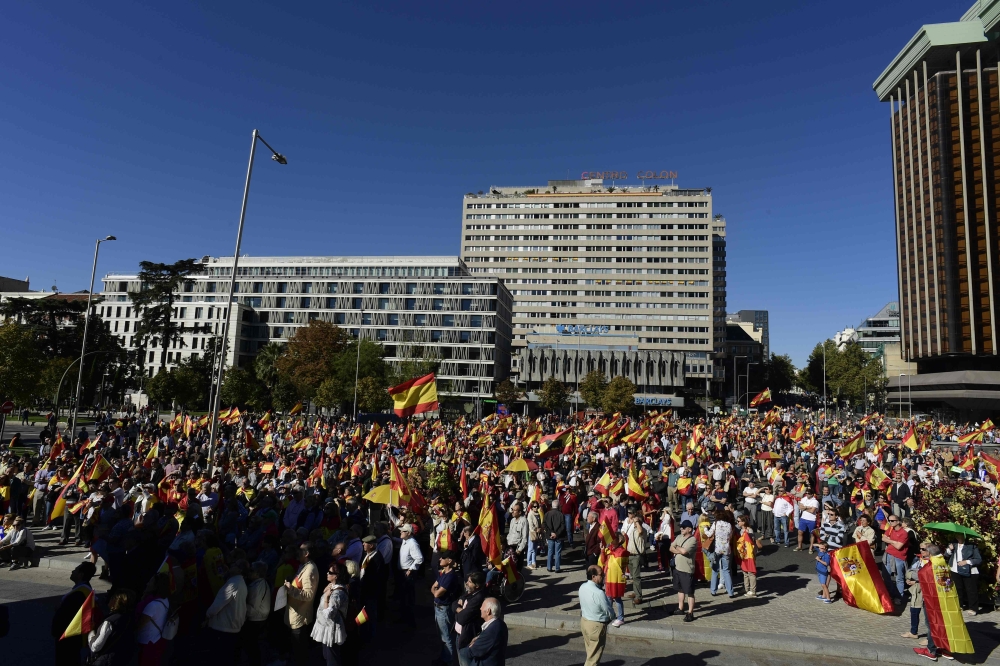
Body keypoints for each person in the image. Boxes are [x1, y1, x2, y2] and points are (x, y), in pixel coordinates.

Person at [52, 561, 97, 666]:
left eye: (75, 570)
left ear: (80, 575)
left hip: (69, 636)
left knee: (66, 661)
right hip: (73, 636)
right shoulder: (84, 589)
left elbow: (66, 616)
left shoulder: (79, 593)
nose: (72, 571)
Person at [203, 559, 249, 662]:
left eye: (235, 564)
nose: (231, 564)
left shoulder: (233, 584)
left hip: (224, 628)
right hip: (231, 626)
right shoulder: (239, 582)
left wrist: (207, 615)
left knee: (222, 658)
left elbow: (218, 604)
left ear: (240, 570)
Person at [284, 542, 318, 665]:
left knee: (299, 652)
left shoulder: (310, 570)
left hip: (300, 615)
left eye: (301, 550)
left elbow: (308, 595)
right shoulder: (303, 566)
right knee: (296, 650)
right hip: (295, 612)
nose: (297, 552)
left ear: (307, 553)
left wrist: (290, 589)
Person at [311, 561, 349, 666]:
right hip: (327, 628)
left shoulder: (337, 593)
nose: (327, 573)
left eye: (330, 572)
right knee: (327, 656)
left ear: (337, 576)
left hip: (331, 630)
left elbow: (329, 615)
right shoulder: (333, 586)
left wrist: (326, 598)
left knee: (332, 659)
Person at [86, 588, 136, 666]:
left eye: (112, 598)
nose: (110, 599)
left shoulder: (109, 622)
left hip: (106, 661)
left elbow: (95, 647)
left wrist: (91, 632)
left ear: (117, 602)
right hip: (122, 658)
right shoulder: (130, 617)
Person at [431, 550, 463, 666]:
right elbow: (433, 587)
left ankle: (449, 661)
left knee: (446, 637)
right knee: (442, 636)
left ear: (449, 561)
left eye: (443, 558)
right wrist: (436, 589)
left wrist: (436, 589)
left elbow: (436, 593)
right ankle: (444, 658)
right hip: (438, 608)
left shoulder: (450, 576)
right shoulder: (444, 573)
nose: (440, 559)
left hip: (443, 609)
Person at [579, 564, 613, 666]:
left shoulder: (582, 587)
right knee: (592, 660)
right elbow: (608, 610)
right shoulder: (598, 593)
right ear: (593, 577)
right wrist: (612, 617)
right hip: (596, 626)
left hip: (585, 623)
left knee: (590, 652)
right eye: (601, 574)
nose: (603, 576)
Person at [135, 572, 171, 666]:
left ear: (156, 586)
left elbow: (140, 625)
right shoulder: (165, 599)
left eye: (150, 582)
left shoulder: (152, 605)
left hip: (148, 643)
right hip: (156, 640)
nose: (147, 584)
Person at [241, 561, 271, 666]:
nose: (249, 572)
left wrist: (240, 606)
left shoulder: (259, 585)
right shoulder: (256, 583)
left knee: (251, 644)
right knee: (251, 644)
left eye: (252, 570)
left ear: (258, 573)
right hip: (256, 617)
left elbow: (253, 607)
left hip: (256, 619)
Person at [454, 571, 487, 666]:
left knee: (465, 662)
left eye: (469, 582)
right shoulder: (470, 593)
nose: (466, 583)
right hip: (459, 634)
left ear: (476, 585)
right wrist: (459, 608)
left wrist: (457, 610)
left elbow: (461, 619)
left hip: (466, 636)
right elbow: (455, 602)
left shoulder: (478, 598)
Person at [945, 534, 982, 616]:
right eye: (957, 536)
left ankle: (973, 608)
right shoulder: (953, 544)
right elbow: (946, 555)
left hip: (969, 571)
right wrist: (949, 550)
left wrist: (966, 562)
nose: (958, 537)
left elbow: (978, 559)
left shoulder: (971, 546)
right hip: (955, 570)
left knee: (971, 590)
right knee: (958, 589)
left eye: (960, 536)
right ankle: (960, 605)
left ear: (964, 536)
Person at [669, 520, 696, 622]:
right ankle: (680, 608)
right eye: (681, 527)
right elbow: (670, 548)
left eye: (684, 527)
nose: (681, 529)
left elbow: (685, 551)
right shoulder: (679, 537)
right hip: (677, 568)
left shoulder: (692, 540)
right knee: (680, 589)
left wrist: (677, 547)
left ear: (690, 529)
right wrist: (678, 549)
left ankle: (690, 612)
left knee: (689, 592)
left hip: (687, 570)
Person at [468, 597, 507, 666]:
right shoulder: (500, 624)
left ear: (488, 611)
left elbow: (474, 651)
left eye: (482, 606)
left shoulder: (493, 629)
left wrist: (475, 643)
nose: (480, 608)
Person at [901, 541, 928, 640]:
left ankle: (930, 637)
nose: (921, 551)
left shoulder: (930, 562)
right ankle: (913, 632)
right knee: (914, 611)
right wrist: (910, 578)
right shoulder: (918, 559)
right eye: (920, 549)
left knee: (928, 616)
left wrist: (915, 580)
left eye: (923, 549)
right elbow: (909, 571)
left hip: (924, 591)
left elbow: (924, 576)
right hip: (916, 591)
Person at [398, 523, 423, 627]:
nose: (400, 532)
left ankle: (410, 623)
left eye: (402, 531)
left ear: (408, 533)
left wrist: (411, 569)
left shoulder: (412, 543)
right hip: (402, 572)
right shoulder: (405, 540)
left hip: (408, 573)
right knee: (403, 597)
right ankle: (404, 618)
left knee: (408, 598)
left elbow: (419, 558)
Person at [621, 505, 648, 604]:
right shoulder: (632, 530)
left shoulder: (642, 531)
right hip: (629, 555)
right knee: (632, 576)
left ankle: (638, 596)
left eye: (637, 523)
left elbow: (640, 530)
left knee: (636, 577)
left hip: (636, 556)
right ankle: (635, 592)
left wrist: (636, 521)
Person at [704, 510, 734, 598]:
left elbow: (709, 534)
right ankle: (730, 592)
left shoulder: (716, 524)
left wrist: (706, 528)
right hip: (726, 550)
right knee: (726, 570)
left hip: (717, 550)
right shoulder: (729, 525)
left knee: (715, 570)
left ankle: (713, 590)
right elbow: (730, 537)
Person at [882, 515, 910, 600]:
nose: (890, 522)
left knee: (899, 578)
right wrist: (894, 541)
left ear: (898, 521)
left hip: (899, 557)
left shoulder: (904, 533)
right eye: (889, 521)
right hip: (888, 555)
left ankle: (899, 597)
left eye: (893, 521)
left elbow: (899, 547)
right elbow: (883, 538)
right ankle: (891, 593)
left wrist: (889, 540)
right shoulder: (890, 529)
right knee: (886, 576)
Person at [735, 514, 758, 597]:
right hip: (744, 555)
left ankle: (753, 590)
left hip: (749, 555)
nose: (737, 522)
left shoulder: (749, 531)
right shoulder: (741, 530)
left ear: (743, 522)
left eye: (738, 521)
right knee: (745, 572)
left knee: (751, 572)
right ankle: (746, 588)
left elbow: (751, 543)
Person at [543, 499, 566, 572]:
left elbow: (544, 524)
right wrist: (556, 533)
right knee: (557, 552)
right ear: (558, 506)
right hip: (558, 536)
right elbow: (563, 526)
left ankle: (549, 567)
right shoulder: (561, 514)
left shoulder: (547, 514)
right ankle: (557, 568)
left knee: (550, 551)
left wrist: (551, 533)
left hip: (550, 536)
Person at [796, 489, 819, 554]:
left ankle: (810, 548)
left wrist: (805, 508)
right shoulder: (804, 498)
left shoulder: (815, 501)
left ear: (812, 494)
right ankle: (799, 546)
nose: (807, 494)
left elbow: (812, 511)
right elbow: (800, 507)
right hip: (803, 518)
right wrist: (808, 507)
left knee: (812, 534)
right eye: (806, 493)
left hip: (811, 519)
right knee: (800, 532)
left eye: (808, 493)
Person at [526, 501, 542, 570]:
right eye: (534, 506)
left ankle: (534, 562)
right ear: (531, 507)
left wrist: (540, 529)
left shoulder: (538, 514)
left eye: (537, 506)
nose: (536, 508)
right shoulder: (530, 514)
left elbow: (539, 523)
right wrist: (536, 529)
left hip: (537, 533)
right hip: (532, 533)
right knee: (530, 548)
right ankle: (529, 563)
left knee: (535, 549)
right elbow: (530, 526)